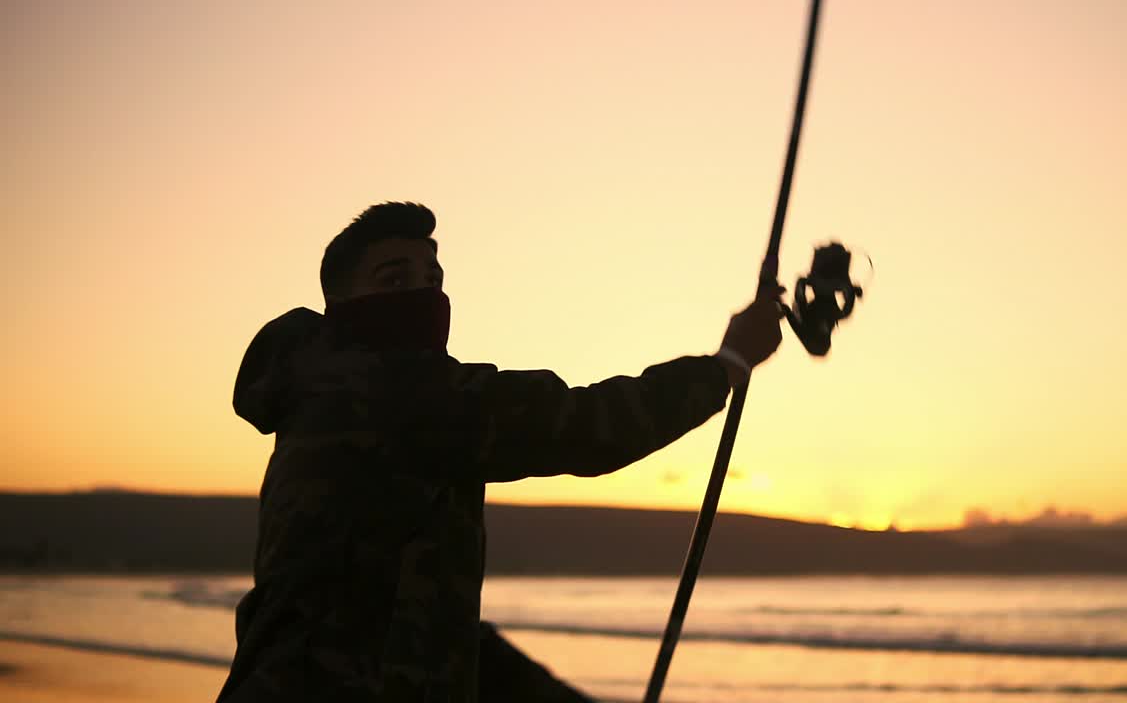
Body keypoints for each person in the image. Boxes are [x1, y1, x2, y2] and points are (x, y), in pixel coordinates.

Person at [216, 202, 784, 702]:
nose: (422, 295)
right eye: (394, 281)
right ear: (340, 301)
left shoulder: (321, 387)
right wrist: (726, 365)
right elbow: (583, 426)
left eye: (433, 280)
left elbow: (427, 623)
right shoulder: (389, 394)